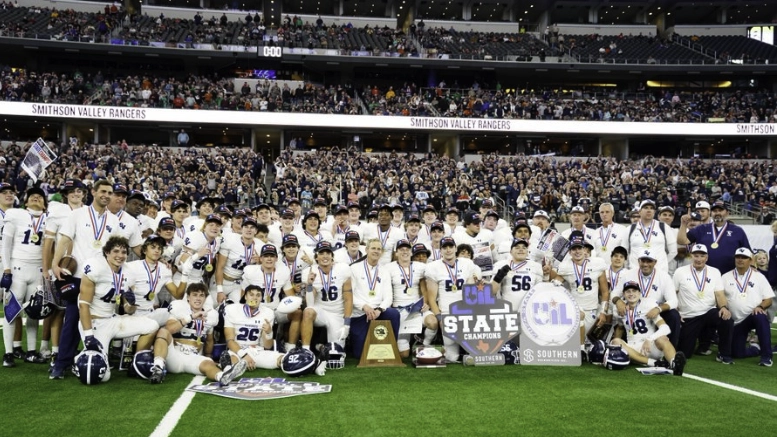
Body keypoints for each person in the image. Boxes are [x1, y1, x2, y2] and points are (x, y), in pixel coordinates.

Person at [50, 180, 123, 380]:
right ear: (93, 192)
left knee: (101, 320)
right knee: (72, 319)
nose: (106, 195)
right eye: (103, 191)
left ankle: (96, 359)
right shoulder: (76, 215)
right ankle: (62, 363)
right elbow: (64, 239)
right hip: (79, 277)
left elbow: (116, 249)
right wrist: (55, 264)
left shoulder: (114, 221)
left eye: (110, 192)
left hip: (103, 279)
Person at [76, 236, 159, 382]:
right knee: (102, 376)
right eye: (115, 251)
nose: (120, 256)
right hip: (95, 323)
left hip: (113, 320)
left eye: (124, 252)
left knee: (152, 326)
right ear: (107, 252)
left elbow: (127, 309)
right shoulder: (96, 267)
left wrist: (130, 306)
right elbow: (83, 305)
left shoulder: (128, 272)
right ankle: (80, 357)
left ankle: (136, 363)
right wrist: (89, 336)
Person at [147, 282, 247, 385]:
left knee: (208, 364)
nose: (198, 298)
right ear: (188, 297)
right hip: (175, 355)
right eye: (195, 295)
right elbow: (169, 329)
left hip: (193, 356)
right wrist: (190, 317)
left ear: (205, 298)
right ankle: (158, 369)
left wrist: (209, 356)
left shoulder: (211, 315)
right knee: (163, 332)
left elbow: (209, 340)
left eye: (201, 295)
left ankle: (223, 376)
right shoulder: (179, 308)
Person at [2, 187, 49, 366]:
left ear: (45, 204)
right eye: (32, 196)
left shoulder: (49, 220)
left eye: (40, 197)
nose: (36, 198)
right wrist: (6, 269)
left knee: (33, 312)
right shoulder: (16, 215)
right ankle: (8, 353)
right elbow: (5, 245)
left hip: (37, 270)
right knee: (11, 311)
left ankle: (31, 351)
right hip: (17, 268)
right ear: (26, 201)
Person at [42, 179, 86, 363]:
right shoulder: (57, 212)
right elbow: (48, 243)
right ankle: (53, 349)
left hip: (82, 269)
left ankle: (74, 350)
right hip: (62, 267)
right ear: (66, 194)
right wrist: (47, 268)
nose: (76, 194)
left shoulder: (89, 212)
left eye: (79, 190)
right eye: (71, 191)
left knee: (79, 312)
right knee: (57, 310)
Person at [673, 244, 734, 364]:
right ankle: (702, 345)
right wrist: (675, 311)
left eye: (702, 256)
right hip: (688, 316)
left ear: (707, 258)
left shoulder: (715, 272)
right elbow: (673, 293)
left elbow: (720, 294)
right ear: (691, 256)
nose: (699, 259)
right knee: (685, 353)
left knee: (726, 318)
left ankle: (724, 353)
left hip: (708, 312)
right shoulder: (680, 272)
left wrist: (723, 307)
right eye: (696, 255)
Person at [424, 236, 482, 362]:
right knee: (452, 357)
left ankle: (467, 350)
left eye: (451, 246)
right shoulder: (433, 267)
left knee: (475, 353)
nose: (448, 250)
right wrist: (440, 317)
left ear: (455, 248)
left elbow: (472, 290)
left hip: (466, 311)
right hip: (447, 312)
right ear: (440, 250)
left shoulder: (467, 264)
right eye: (445, 247)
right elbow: (432, 298)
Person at [610, 281, 686, 376]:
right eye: (628, 291)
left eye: (634, 291)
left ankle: (674, 363)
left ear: (639, 293)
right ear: (624, 294)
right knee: (616, 341)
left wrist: (650, 339)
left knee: (662, 338)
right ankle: (655, 363)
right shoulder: (620, 310)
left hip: (650, 346)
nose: (631, 294)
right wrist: (613, 347)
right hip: (633, 349)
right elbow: (620, 328)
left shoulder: (648, 305)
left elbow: (666, 328)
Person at [550, 231, 609, 347]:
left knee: (588, 342)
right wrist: (552, 276)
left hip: (592, 310)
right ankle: (580, 349)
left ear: (584, 249)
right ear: (570, 252)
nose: (577, 251)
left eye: (579, 248)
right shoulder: (565, 266)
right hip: (575, 309)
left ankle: (582, 347)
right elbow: (555, 284)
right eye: (574, 249)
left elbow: (605, 292)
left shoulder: (597, 264)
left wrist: (603, 312)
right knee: (578, 322)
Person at [612, 249, 681, 347]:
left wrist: (658, 309)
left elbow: (674, 301)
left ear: (655, 262)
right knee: (617, 310)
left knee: (673, 315)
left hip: (655, 311)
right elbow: (614, 293)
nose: (645, 264)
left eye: (649, 261)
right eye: (643, 261)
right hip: (633, 311)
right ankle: (624, 343)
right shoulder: (628, 274)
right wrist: (618, 301)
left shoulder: (664, 276)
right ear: (638, 261)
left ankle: (670, 348)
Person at [349, 239, 401, 359]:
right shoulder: (354, 268)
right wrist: (364, 306)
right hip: (360, 313)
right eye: (373, 248)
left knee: (394, 314)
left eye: (378, 249)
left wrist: (379, 309)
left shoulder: (384, 271)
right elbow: (350, 294)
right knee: (360, 354)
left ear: (382, 252)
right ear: (366, 250)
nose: (376, 251)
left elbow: (388, 297)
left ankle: (392, 347)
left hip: (378, 312)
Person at [721, 248, 773, 366]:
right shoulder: (725, 277)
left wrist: (761, 306)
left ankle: (766, 356)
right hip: (734, 322)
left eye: (744, 257)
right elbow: (719, 297)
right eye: (738, 257)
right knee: (737, 353)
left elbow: (769, 299)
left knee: (760, 316)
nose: (740, 260)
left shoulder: (759, 277)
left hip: (752, 316)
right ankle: (755, 349)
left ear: (750, 260)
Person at [242, 244, 299, 351]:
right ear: (261, 258)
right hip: (257, 310)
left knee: (297, 313)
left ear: (276, 258)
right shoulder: (251, 271)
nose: (269, 259)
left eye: (272, 256)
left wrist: (295, 305)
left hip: (276, 310)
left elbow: (290, 294)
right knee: (264, 346)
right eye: (266, 256)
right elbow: (243, 296)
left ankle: (290, 346)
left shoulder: (283, 272)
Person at [300, 241, 353, 351]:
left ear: (332, 256)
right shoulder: (310, 271)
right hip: (321, 311)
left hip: (337, 313)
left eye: (328, 253)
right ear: (316, 257)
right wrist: (309, 285)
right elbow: (310, 304)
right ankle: (306, 350)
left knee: (336, 351)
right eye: (321, 253)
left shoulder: (342, 269)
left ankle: (319, 346)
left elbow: (348, 298)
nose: (325, 256)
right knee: (308, 311)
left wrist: (347, 323)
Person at [124, 235, 186, 328]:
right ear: (145, 250)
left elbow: (178, 295)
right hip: (133, 313)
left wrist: (185, 274)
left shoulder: (165, 269)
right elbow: (126, 306)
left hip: (151, 314)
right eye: (153, 247)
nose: (157, 250)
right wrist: (129, 305)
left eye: (159, 248)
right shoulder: (131, 267)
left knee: (180, 310)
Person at [221, 284, 286, 372]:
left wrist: (269, 333)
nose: (255, 298)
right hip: (237, 351)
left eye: (258, 295)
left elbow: (268, 346)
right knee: (229, 359)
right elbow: (229, 341)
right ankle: (229, 372)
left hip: (256, 351)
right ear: (245, 297)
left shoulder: (267, 313)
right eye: (251, 295)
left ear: (261, 298)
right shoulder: (232, 309)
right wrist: (244, 355)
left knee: (283, 359)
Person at [678, 200, 751, 275]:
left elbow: (748, 252)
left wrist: (752, 267)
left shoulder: (737, 231)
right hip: (705, 275)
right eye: (714, 211)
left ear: (727, 213)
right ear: (711, 213)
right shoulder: (701, 229)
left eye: (720, 210)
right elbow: (682, 241)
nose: (717, 213)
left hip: (731, 274)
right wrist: (683, 224)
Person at [387, 239, 433, 357]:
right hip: (399, 310)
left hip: (417, 307)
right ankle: (405, 344)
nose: (405, 252)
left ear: (411, 252)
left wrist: (426, 302)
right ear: (396, 253)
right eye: (401, 249)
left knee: (433, 323)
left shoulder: (420, 267)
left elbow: (424, 288)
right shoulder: (388, 268)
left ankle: (424, 344)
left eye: (407, 249)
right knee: (404, 355)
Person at [491, 238, 546, 319]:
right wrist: (498, 277)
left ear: (528, 252)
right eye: (517, 247)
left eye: (524, 248)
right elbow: (492, 291)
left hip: (529, 312)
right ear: (510, 252)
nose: (521, 249)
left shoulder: (535, 266)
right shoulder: (501, 264)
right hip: (508, 311)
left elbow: (540, 292)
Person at [177, 214, 223, 303]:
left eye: (217, 225)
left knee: (209, 305)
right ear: (205, 227)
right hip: (184, 277)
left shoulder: (217, 241)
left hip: (198, 279)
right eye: (211, 225)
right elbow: (180, 264)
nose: (214, 227)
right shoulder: (194, 236)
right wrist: (197, 255)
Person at [215, 216, 261, 303]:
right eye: (246, 227)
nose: (249, 230)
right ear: (242, 228)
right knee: (213, 305)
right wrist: (220, 290)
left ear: (256, 231)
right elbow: (220, 267)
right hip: (223, 280)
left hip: (239, 283)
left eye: (252, 227)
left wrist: (259, 262)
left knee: (239, 305)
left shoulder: (260, 246)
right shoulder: (230, 240)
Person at [624, 200, 677, 274]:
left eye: (651, 208)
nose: (649, 210)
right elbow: (623, 251)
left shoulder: (664, 227)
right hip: (635, 271)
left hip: (659, 272)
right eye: (646, 207)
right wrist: (628, 268)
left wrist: (662, 263)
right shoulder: (630, 229)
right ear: (639, 211)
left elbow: (673, 251)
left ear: (654, 212)